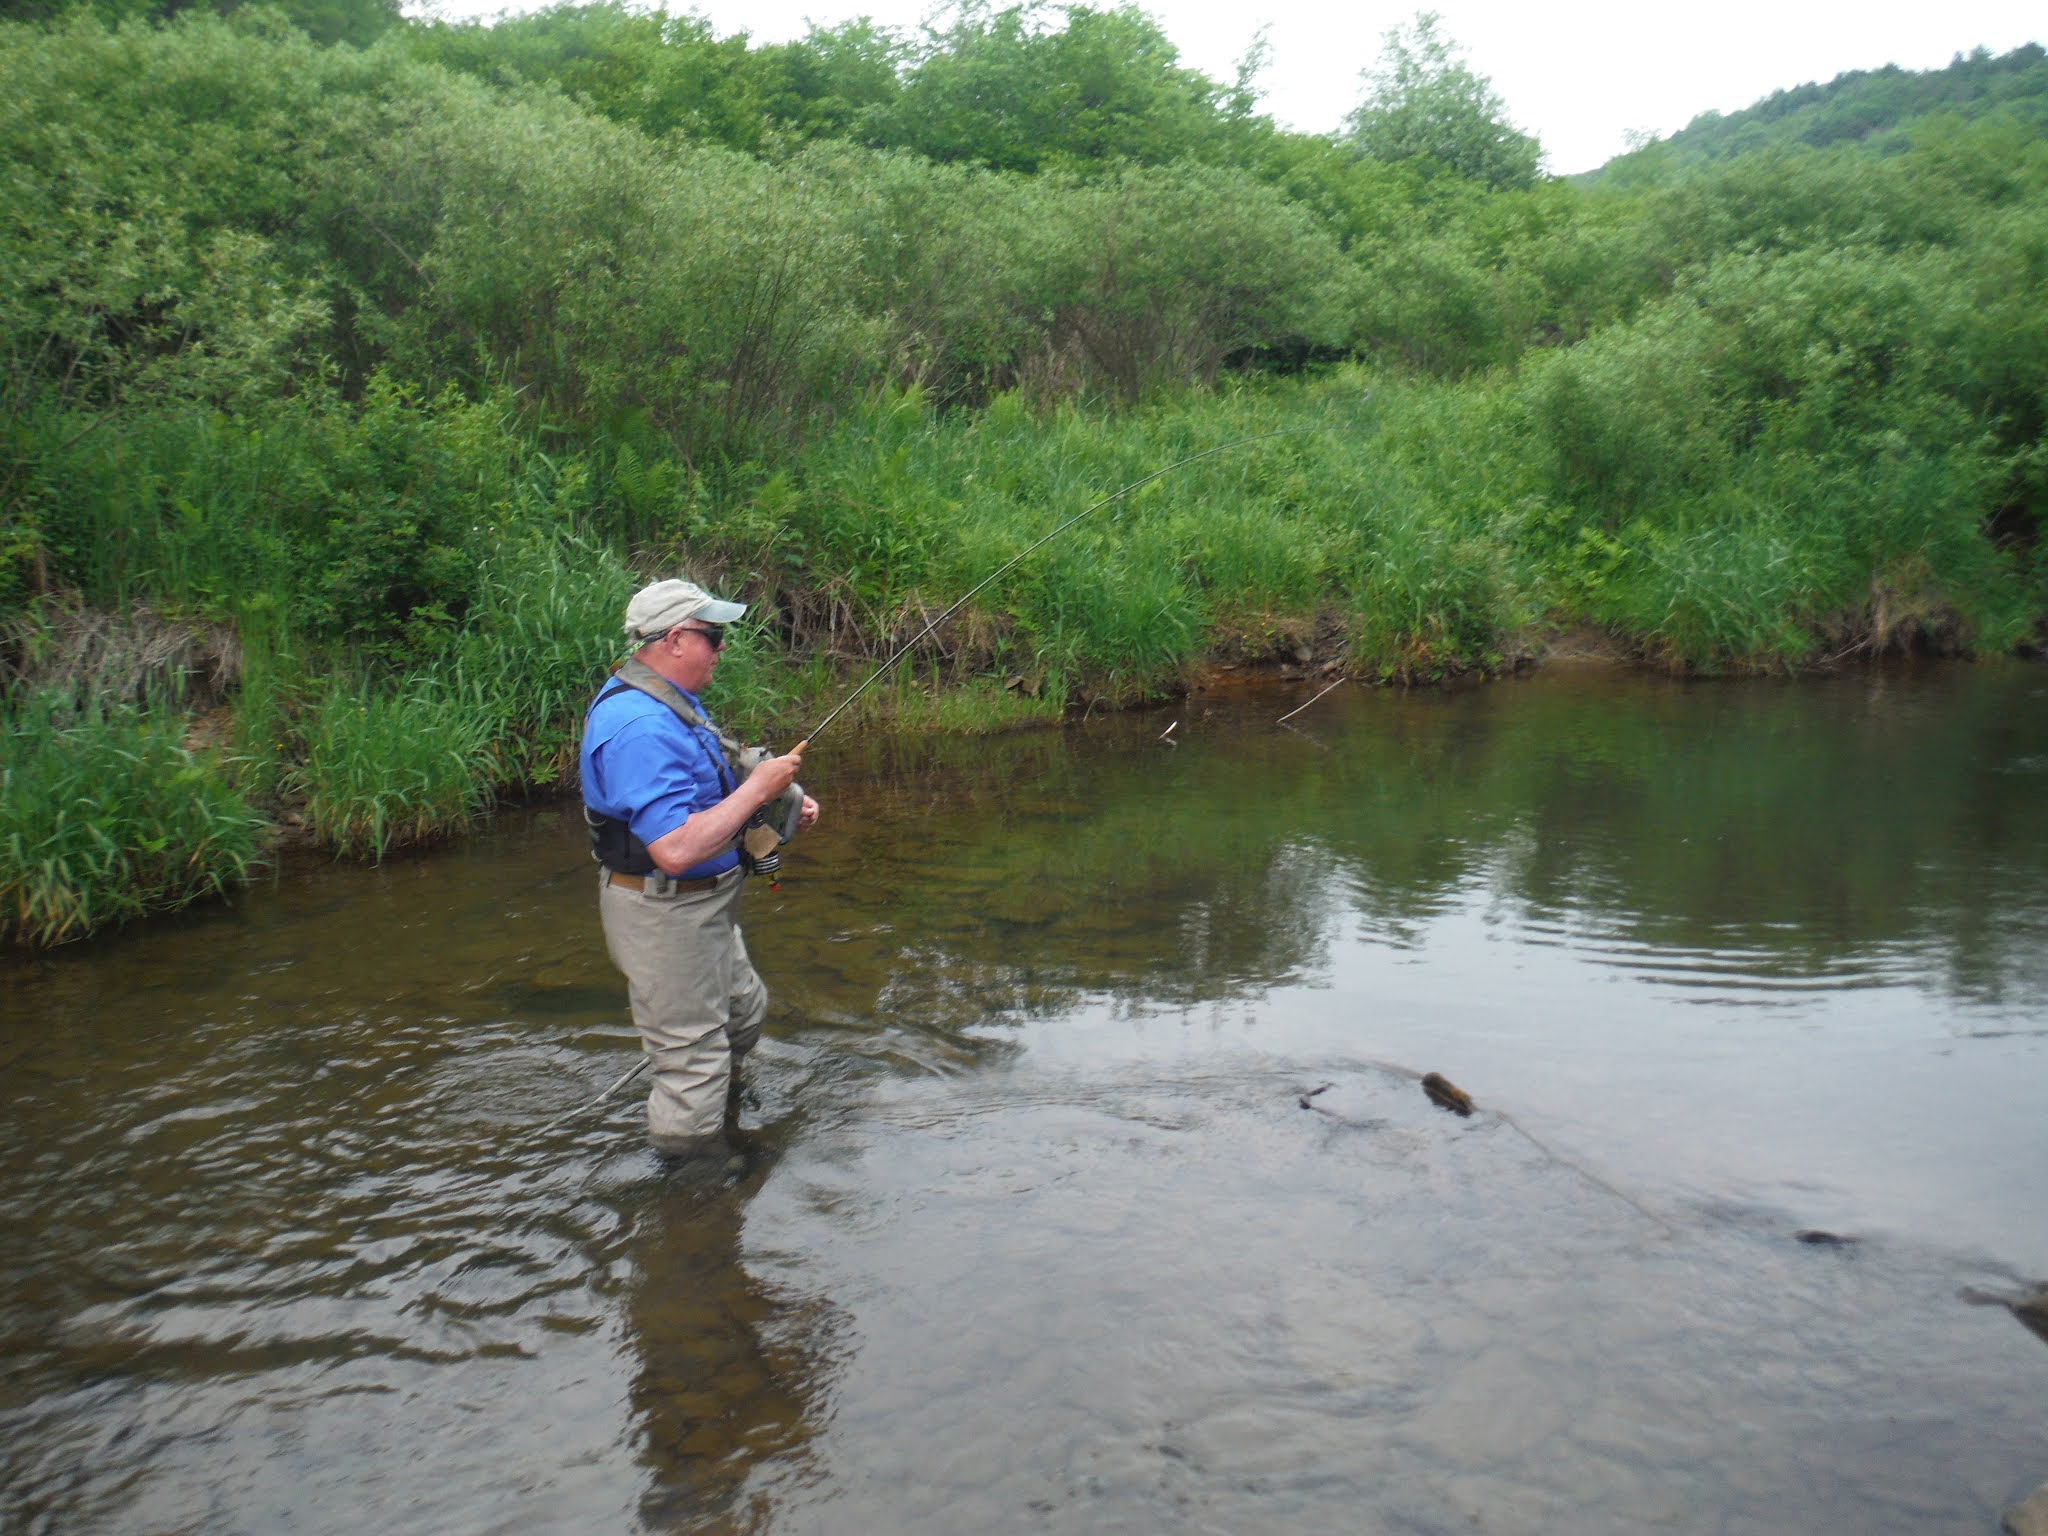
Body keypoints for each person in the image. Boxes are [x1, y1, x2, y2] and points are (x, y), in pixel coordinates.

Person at [580, 578, 820, 1156]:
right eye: (713, 636)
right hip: (664, 911)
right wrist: (759, 787)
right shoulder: (637, 725)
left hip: (703, 905)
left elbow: (709, 777)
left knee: (744, 1014)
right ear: (676, 639)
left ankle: (725, 1118)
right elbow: (677, 849)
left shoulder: (668, 699)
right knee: (693, 1066)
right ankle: (690, 1194)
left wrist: (779, 798)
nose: (721, 648)